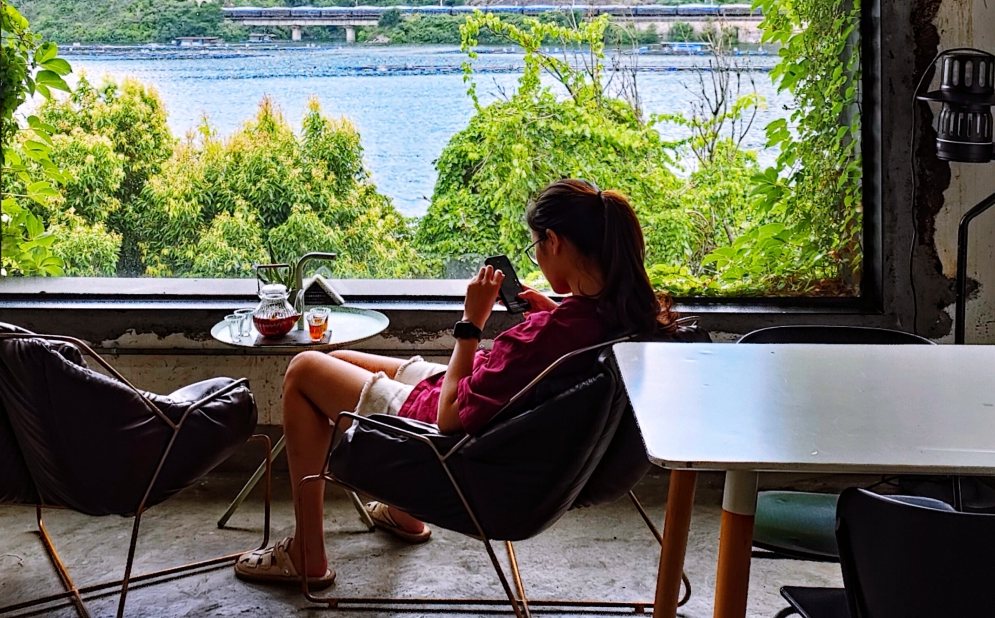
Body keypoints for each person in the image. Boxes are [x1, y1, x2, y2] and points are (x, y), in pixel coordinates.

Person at [234, 178, 673, 589]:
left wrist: (470, 323)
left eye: (536, 245)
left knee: (304, 370)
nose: (537, 256)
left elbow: (448, 417)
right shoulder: (627, 318)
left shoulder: (540, 340)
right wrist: (553, 313)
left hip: (441, 441)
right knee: (339, 361)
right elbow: (560, 351)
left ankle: (308, 555)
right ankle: (403, 514)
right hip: (499, 427)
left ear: (554, 242)